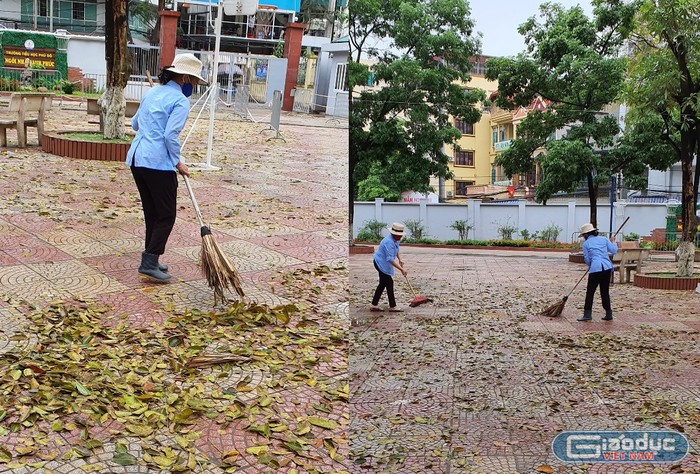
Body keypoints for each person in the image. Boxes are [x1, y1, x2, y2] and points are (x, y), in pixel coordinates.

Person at [126, 53, 206, 281]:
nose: (196, 85)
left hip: (137, 159)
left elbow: (135, 124)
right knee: (166, 215)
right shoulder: (180, 100)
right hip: (158, 164)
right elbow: (170, 134)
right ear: (184, 78)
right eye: (195, 80)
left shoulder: (152, 92)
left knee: (152, 213)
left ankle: (152, 258)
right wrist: (178, 161)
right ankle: (149, 261)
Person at [577, 223, 618, 321]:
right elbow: (614, 250)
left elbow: (587, 259)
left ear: (586, 234)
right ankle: (608, 313)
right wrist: (613, 242)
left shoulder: (586, 244)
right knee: (604, 291)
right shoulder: (604, 239)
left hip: (595, 269)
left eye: (583, 235)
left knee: (590, 292)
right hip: (607, 268)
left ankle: (587, 314)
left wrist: (591, 265)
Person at [370, 223, 407, 312]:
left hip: (385, 262)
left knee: (383, 283)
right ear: (393, 234)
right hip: (380, 263)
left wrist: (400, 259)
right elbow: (390, 259)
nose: (400, 237)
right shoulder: (388, 242)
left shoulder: (395, 239)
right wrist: (401, 269)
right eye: (398, 236)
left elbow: (396, 249)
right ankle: (393, 306)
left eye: (400, 236)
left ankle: (373, 305)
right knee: (389, 282)